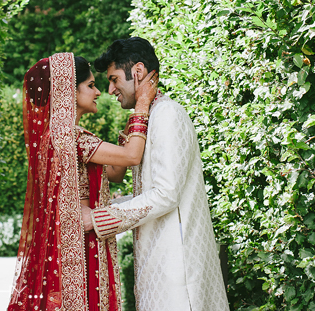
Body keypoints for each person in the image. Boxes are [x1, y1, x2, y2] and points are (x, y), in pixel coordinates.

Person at [82, 37, 230, 311]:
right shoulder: (152, 116)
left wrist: (98, 218)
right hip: (158, 263)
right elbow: (150, 192)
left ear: (137, 72)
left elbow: (166, 194)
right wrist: (107, 206)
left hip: (178, 271)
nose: (110, 89)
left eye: (114, 79)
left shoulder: (167, 115)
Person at [7, 52, 157, 311]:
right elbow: (132, 157)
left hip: (69, 241)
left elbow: (114, 173)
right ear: (68, 92)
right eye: (90, 85)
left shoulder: (51, 138)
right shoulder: (73, 138)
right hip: (80, 242)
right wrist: (141, 106)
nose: (98, 92)